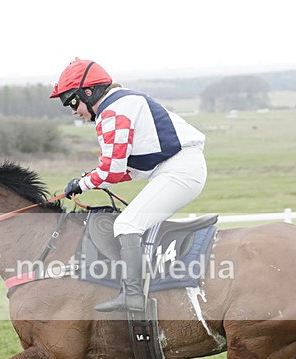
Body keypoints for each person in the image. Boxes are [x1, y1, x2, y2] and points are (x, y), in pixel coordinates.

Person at [50, 58, 207, 313]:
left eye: (72, 101)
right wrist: (88, 181)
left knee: (127, 224)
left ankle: (133, 296)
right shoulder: (120, 103)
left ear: (89, 92)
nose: (74, 110)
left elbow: (112, 170)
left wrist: (82, 183)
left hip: (180, 170)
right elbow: (127, 171)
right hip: (175, 168)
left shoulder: (112, 111)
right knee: (132, 221)